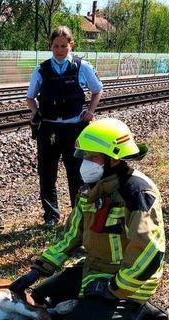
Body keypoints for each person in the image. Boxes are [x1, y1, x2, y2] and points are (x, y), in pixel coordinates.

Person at [10, 118, 167, 320]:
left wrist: (114, 289)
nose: (85, 163)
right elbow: (72, 236)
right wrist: (38, 269)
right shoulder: (90, 190)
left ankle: (135, 311)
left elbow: (149, 252)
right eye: (83, 156)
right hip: (94, 270)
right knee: (38, 299)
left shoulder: (136, 192)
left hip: (128, 283)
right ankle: (90, 304)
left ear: (113, 158)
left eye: (92, 156)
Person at [26, 26, 104, 225]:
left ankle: (78, 215)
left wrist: (90, 111)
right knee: (46, 173)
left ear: (71, 45)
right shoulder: (41, 69)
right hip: (49, 130)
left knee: (77, 173)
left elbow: (97, 91)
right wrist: (36, 114)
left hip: (74, 129)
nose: (59, 50)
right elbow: (30, 97)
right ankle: (51, 216)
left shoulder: (82, 67)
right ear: (51, 46)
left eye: (63, 46)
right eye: (55, 46)